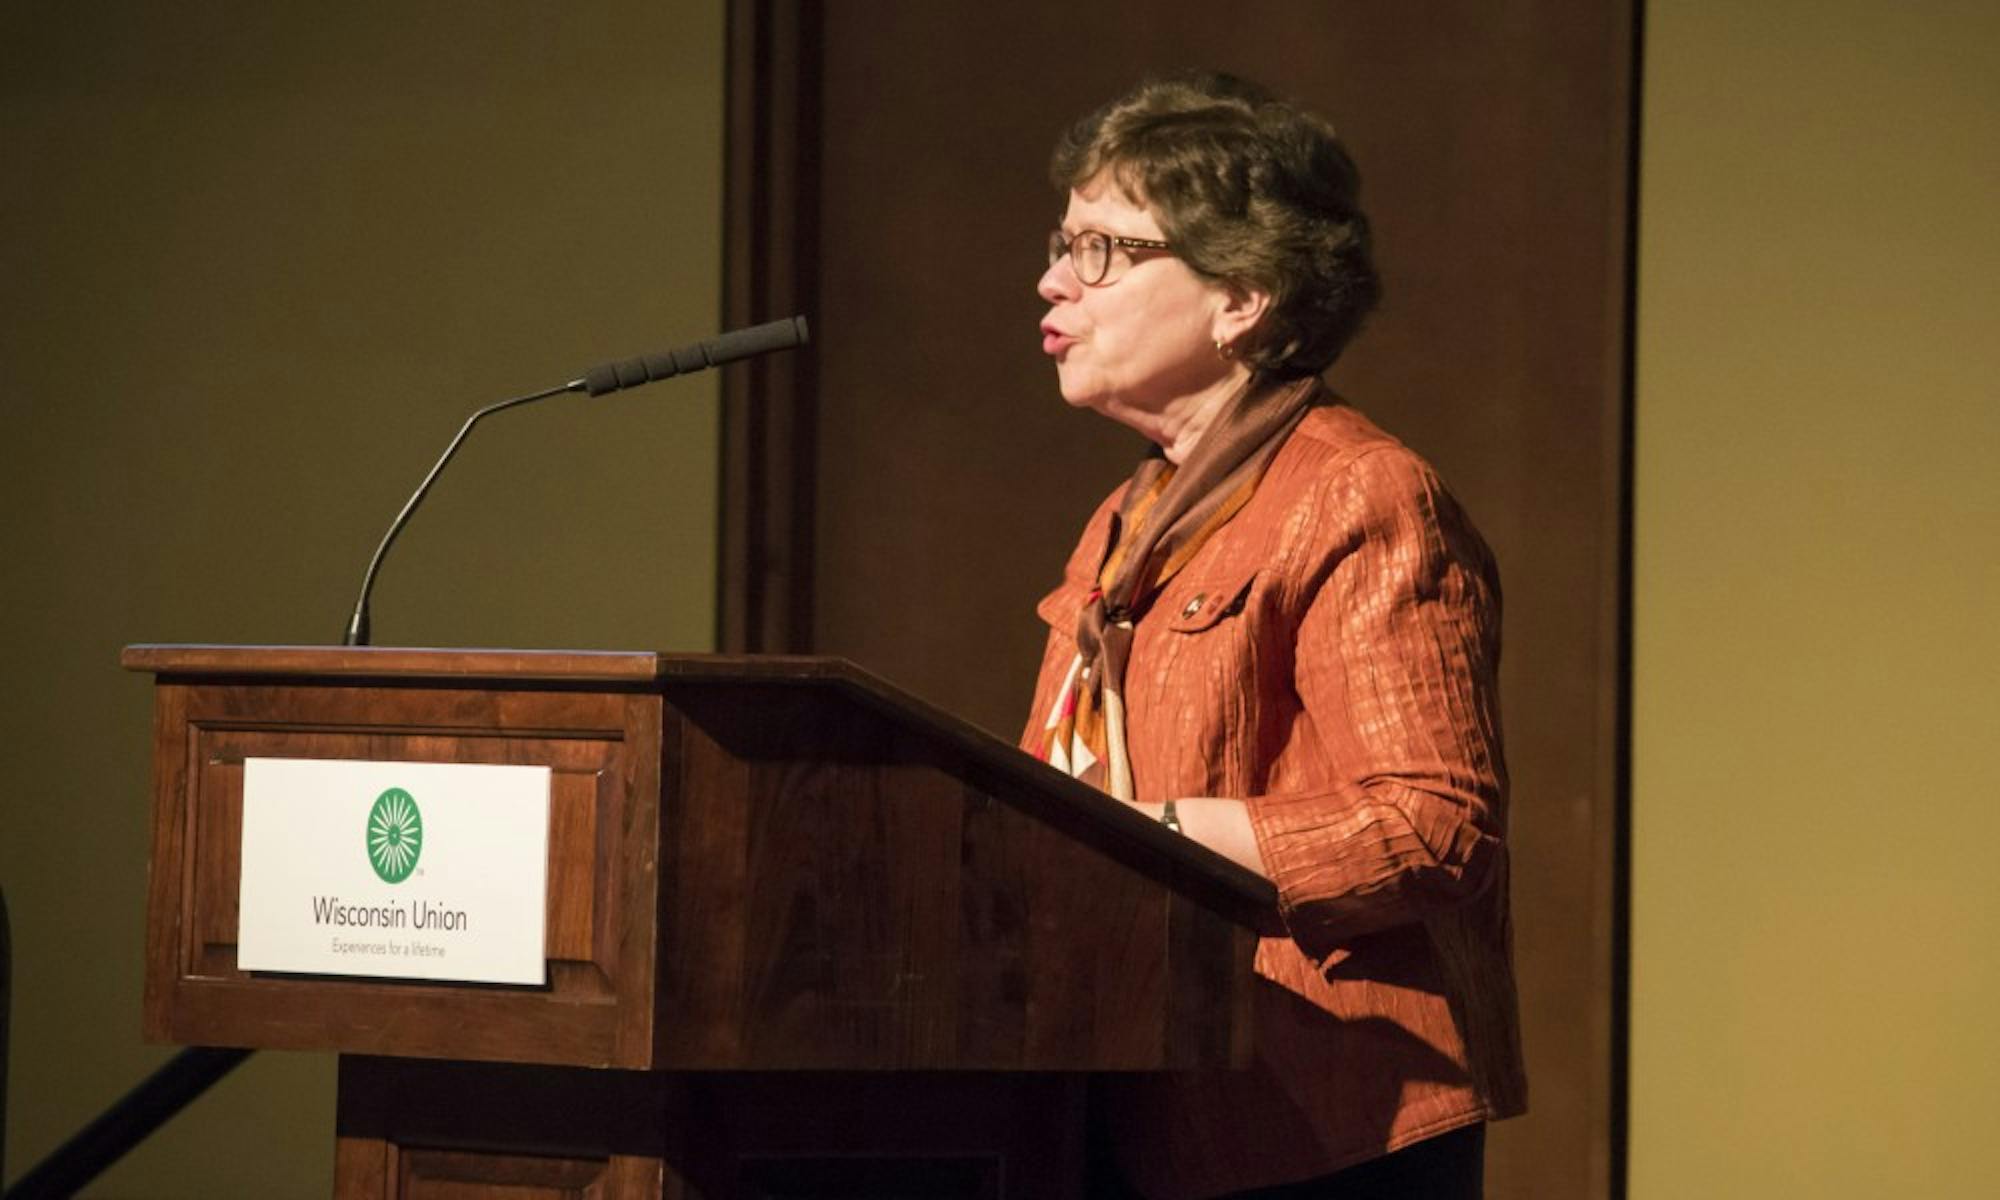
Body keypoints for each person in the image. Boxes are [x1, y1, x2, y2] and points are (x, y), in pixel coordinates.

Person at [1024, 73, 1526, 1199]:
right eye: (1062, 244)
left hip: (1320, 1124)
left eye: (1101, 249)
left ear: (1241, 297)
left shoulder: (1360, 494)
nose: (1053, 279)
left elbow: (1435, 826)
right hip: (1137, 1105)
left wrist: (1145, 835)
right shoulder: (1125, 517)